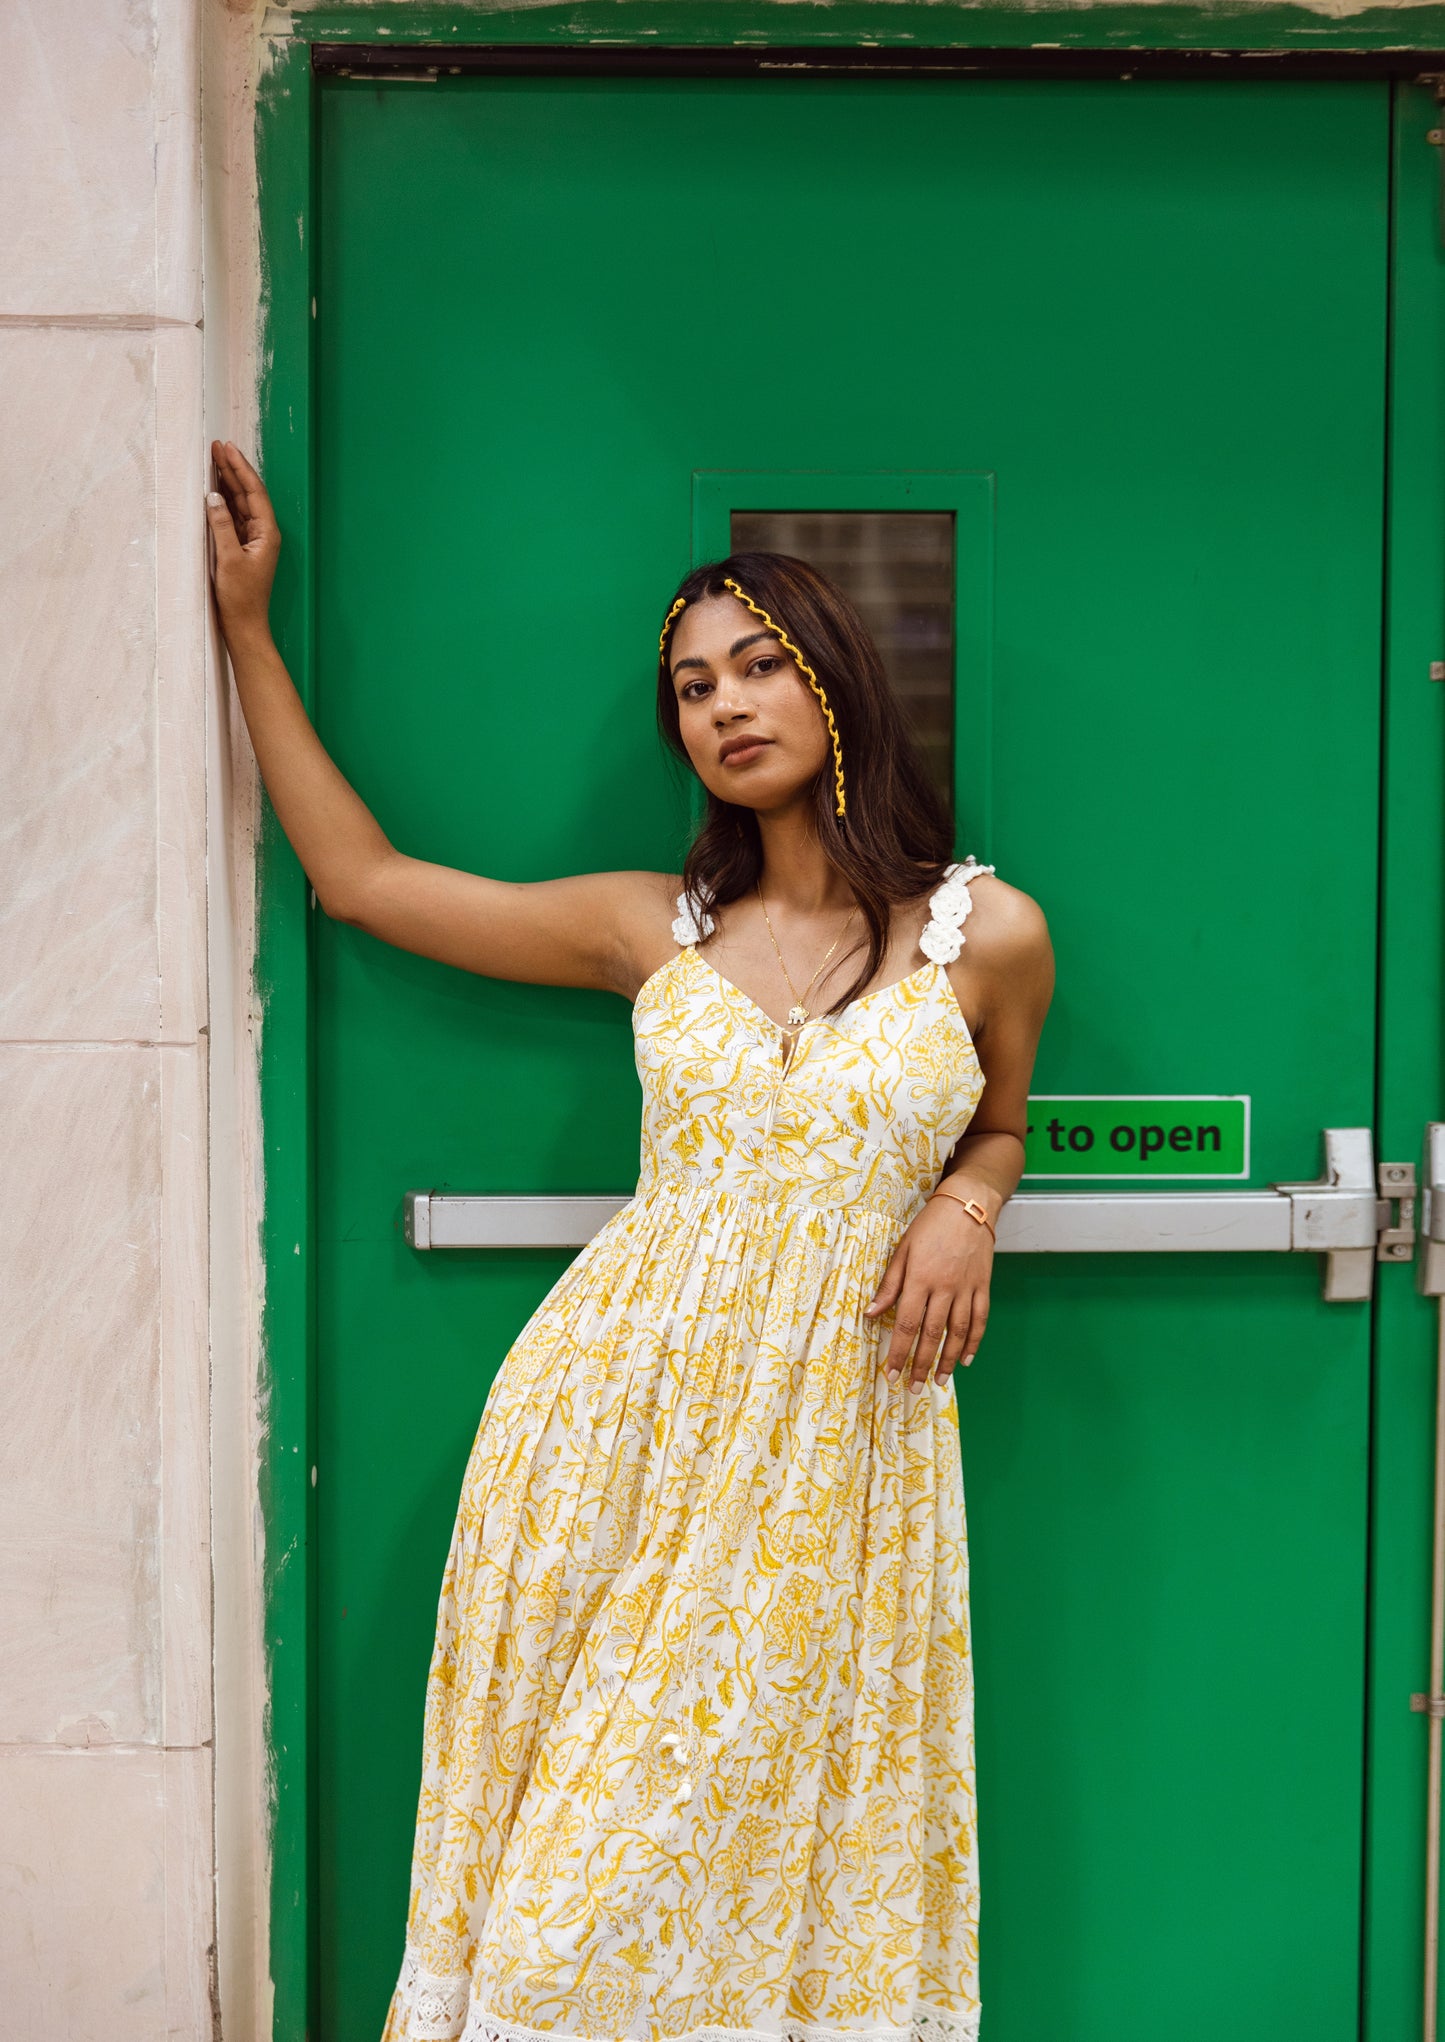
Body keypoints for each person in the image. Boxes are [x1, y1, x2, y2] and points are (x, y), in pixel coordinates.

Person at [206, 441, 1054, 2042]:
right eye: (687, 686)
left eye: (756, 665)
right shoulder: (644, 924)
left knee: (790, 1884)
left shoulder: (986, 933)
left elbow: (1000, 1120)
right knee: (556, 1930)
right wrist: (251, 631)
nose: (722, 705)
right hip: (617, 1425)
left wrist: (965, 1202)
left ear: (836, 685)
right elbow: (362, 881)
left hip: (842, 1456)